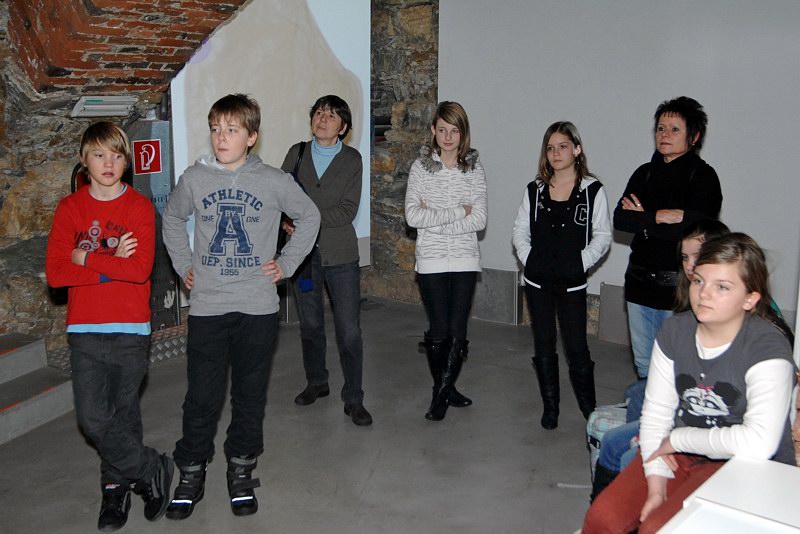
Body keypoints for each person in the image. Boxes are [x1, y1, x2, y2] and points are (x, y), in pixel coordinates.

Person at [162, 94, 320, 519]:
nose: (221, 137)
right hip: (208, 306)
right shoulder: (195, 178)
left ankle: (241, 468)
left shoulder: (272, 180)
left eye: (231, 130)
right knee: (202, 396)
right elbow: (172, 218)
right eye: (216, 129)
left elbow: (310, 217)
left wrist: (286, 264)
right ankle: (191, 471)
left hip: (257, 307)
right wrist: (183, 265)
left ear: (251, 137)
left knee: (249, 395)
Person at [582, 233, 796, 534]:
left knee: (659, 527)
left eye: (722, 286)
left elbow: (758, 443)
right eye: (699, 281)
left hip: (745, 465)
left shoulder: (767, 346)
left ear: (750, 298)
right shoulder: (675, 331)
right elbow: (657, 415)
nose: (704, 294)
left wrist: (678, 439)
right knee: (602, 519)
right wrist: (656, 486)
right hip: (680, 452)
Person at [45, 121, 173, 531]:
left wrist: (85, 257)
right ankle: (149, 467)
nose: (108, 163)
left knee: (123, 414)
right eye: (99, 154)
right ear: (84, 160)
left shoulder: (138, 208)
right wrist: (110, 262)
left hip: (130, 329)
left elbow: (138, 271)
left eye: (117, 155)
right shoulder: (70, 209)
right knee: (92, 417)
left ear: (126, 162)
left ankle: (115, 490)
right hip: (84, 329)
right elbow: (56, 273)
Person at [590, 219, 731, 501]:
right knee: (632, 400)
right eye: (685, 257)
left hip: (707, 421)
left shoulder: (751, 328)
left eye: (698, 256)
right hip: (683, 404)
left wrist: (667, 438)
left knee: (626, 447)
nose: (689, 265)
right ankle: (610, 501)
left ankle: (635, 487)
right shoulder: (686, 313)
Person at [280, 95, 372, 427]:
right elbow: (282, 196)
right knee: (310, 324)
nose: (322, 118)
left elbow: (347, 210)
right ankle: (317, 381)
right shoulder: (297, 153)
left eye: (331, 115)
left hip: (341, 256)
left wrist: (305, 219)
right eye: (319, 112)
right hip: (303, 257)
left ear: (343, 127)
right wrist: (287, 221)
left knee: (349, 331)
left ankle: (354, 398)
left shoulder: (352, 160)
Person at [614, 96, 722, 380]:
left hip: (679, 290)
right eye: (661, 128)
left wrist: (645, 220)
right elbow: (621, 219)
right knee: (644, 366)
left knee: (678, 371)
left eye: (675, 129)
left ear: (694, 137)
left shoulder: (703, 177)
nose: (665, 134)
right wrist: (662, 216)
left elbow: (696, 231)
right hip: (638, 284)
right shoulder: (644, 173)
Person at [512, 121, 612, 429]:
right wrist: (530, 259)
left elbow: (603, 236)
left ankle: (589, 409)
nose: (556, 153)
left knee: (577, 347)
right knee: (544, 343)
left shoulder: (592, 190)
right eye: (551, 148)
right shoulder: (535, 190)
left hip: (572, 284)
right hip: (537, 282)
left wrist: (580, 262)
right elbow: (520, 230)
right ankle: (551, 407)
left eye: (563, 146)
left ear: (577, 150)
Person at [405, 101, 488, 421]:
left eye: (454, 131)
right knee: (439, 328)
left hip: (465, 258)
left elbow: (479, 219)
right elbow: (413, 217)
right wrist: (458, 211)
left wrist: (436, 220)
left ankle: (441, 393)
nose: (448, 137)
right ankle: (443, 390)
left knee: (458, 329)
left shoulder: (474, 169)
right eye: (442, 130)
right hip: (431, 259)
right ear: (433, 131)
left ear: (463, 133)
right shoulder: (420, 168)